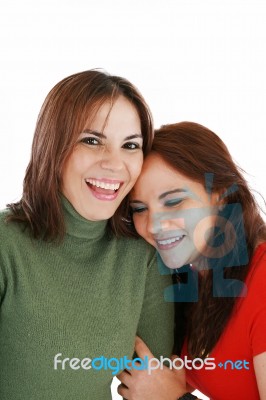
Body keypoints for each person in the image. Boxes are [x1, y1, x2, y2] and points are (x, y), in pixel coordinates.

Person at [0, 70, 174, 400]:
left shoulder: (143, 255)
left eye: (130, 145)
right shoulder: (6, 246)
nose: (115, 163)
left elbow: (158, 386)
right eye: (92, 141)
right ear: (54, 147)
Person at [117, 122, 266, 399]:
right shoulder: (194, 277)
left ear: (220, 195)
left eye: (173, 202)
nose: (154, 225)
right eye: (139, 209)